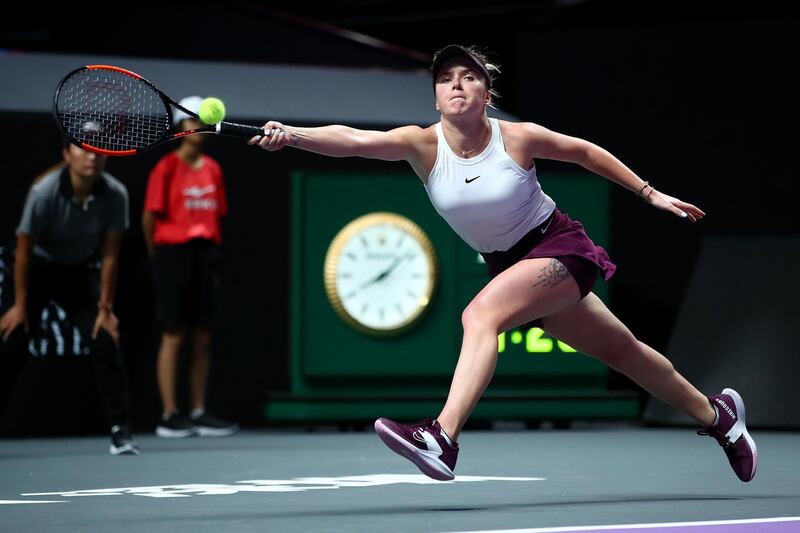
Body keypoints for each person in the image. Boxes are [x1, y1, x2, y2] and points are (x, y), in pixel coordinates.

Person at [248, 45, 756, 483]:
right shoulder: (421, 145)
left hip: (559, 248)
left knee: (479, 316)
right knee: (627, 354)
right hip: (510, 265)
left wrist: (649, 193)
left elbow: (583, 152)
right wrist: (292, 134)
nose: (456, 85)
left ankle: (441, 437)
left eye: (469, 76)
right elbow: (354, 141)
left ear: (486, 93)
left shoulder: (517, 137)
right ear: (436, 97)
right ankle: (721, 416)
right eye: (446, 79)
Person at [0, 139, 138, 455]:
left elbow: (112, 255)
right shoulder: (44, 192)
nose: (92, 156)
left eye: (99, 151)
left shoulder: (116, 194)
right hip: (36, 268)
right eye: (83, 148)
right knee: (10, 343)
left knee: (105, 339)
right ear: (66, 155)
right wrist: (20, 306)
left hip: (78, 272)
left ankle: (121, 432)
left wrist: (105, 308)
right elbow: (23, 248)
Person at [142, 96, 239, 438]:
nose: (198, 127)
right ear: (181, 127)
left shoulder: (213, 169)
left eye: (202, 121)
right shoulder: (165, 168)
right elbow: (149, 219)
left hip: (205, 253)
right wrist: (161, 259)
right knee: (174, 332)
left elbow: (217, 215)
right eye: (191, 121)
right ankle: (170, 415)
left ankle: (198, 411)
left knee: (203, 334)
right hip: (172, 254)